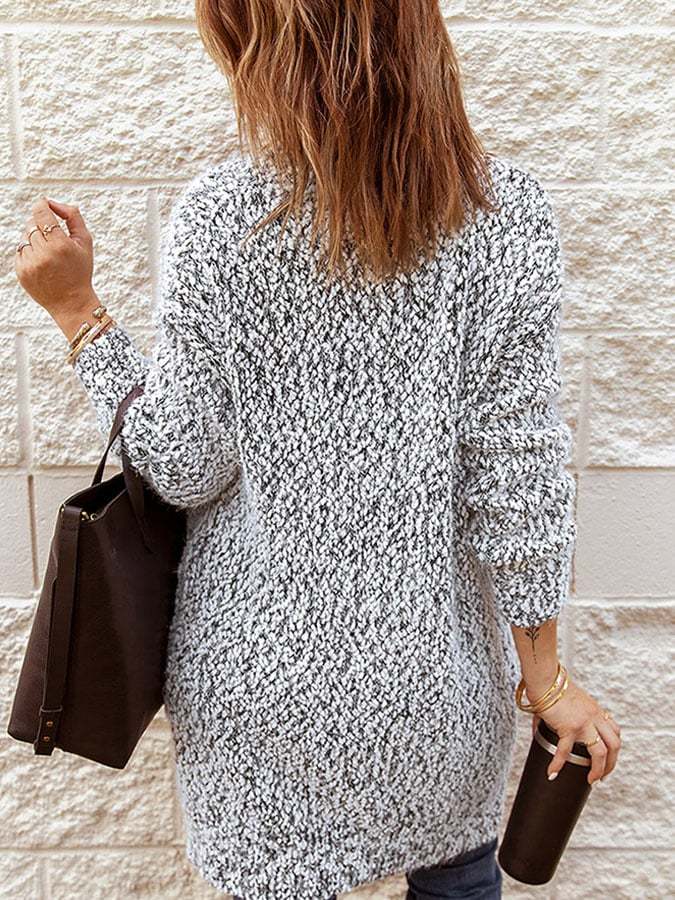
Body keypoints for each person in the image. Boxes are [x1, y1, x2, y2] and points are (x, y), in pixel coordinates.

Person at [13, 2, 621, 898]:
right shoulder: (505, 214)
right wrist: (547, 682)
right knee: (457, 877)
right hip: (433, 692)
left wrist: (79, 315)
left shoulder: (224, 217)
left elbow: (184, 465)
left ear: (270, 53)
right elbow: (518, 472)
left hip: (256, 695)